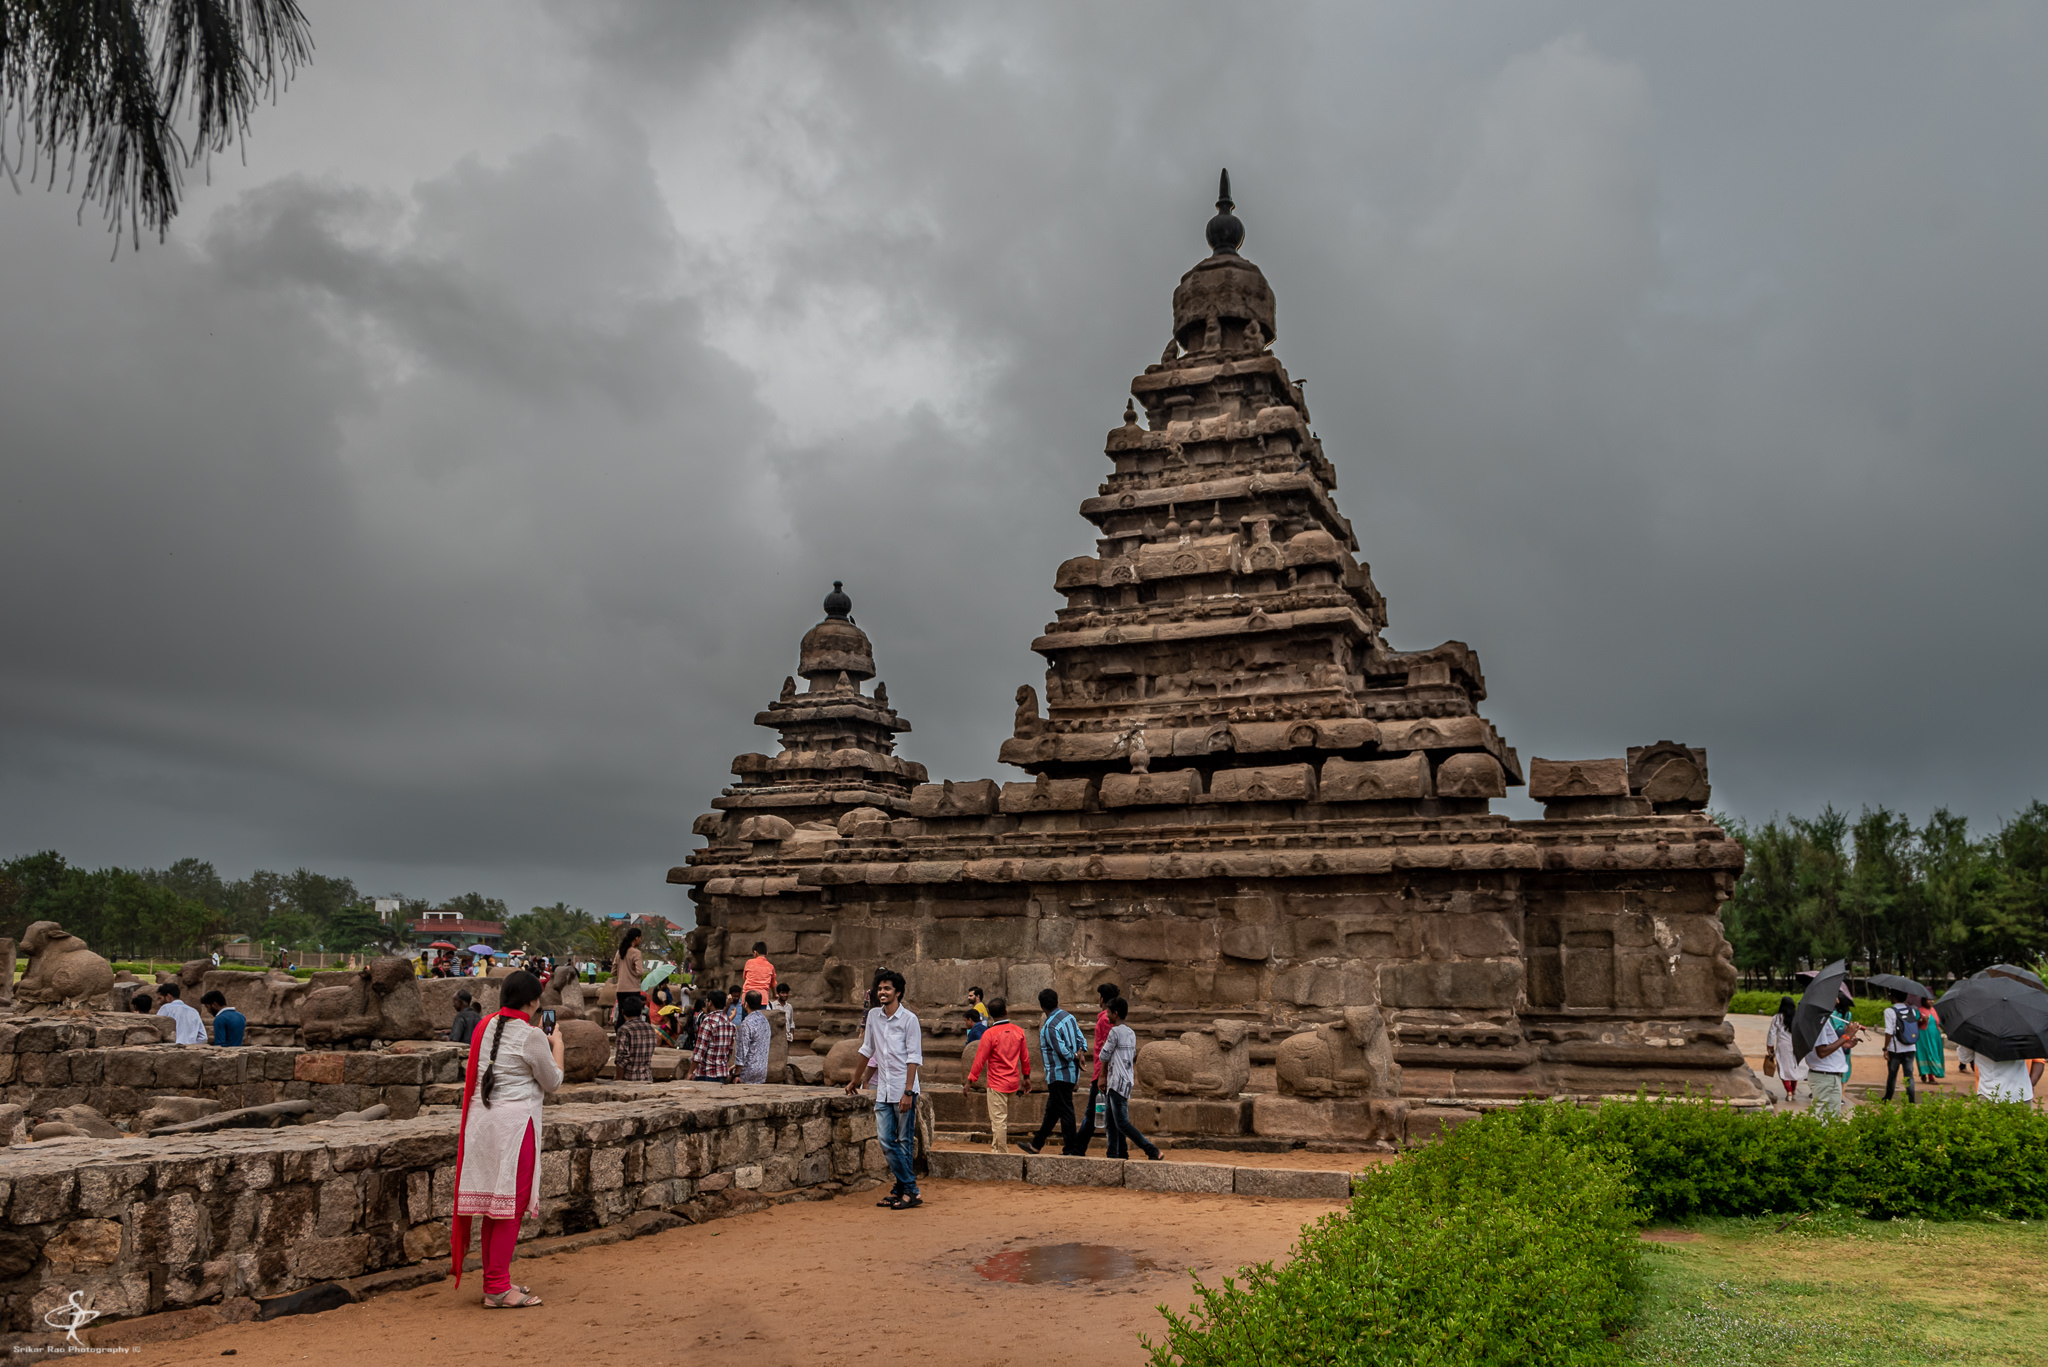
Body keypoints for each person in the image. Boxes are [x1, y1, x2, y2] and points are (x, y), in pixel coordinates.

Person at [451, 970, 564, 1308]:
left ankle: (495, 1279)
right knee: (509, 1207)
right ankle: (497, 1287)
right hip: (514, 1127)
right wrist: (556, 1044)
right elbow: (553, 1080)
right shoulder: (531, 1036)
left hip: (482, 1123)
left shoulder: (485, 1026)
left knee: (492, 1205)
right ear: (532, 1001)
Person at [846, 968, 923, 1209]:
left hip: (903, 1088)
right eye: (880, 988)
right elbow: (867, 1050)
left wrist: (908, 1091)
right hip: (884, 1089)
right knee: (886, 1141)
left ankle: (903, 1190)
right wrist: (855, 1079)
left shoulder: (909, 1020)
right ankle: (910, 1188)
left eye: (887, 988)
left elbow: (914, 1057)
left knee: (903, 1141)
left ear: (897, 992)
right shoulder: (873, 1018)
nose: (882, 992)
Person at [1020, 988, 1088, 1156]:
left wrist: (1074, 1055)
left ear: (1042, 1006)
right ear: (1057, 1001)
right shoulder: (1069, 1017)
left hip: (1059, 1074)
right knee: (1053, 1110)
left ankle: (1072, 1149)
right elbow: (1081, 1039)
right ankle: (1036, 1145)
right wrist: (1080, 1052)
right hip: (1070, 1074)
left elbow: (1062, 1051)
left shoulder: (1049, 1026)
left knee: (1065, 1110)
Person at [964, 997, 1031, 1153]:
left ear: (991, 1015)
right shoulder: (1018, 1031)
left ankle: (1001, 1152)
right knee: (1000, 1119)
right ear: (1006, 1011)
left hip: (997, 1083)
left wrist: (970, 1081)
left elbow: (979, 1060)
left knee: (999, 1120)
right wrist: (1026, 1078)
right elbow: (1025, 1058)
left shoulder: (990, 1034)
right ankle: (996, 1148)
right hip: (1013, 1081)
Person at [1098, 997, 1161, 1160]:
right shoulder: (1131, 1033)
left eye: (1109, 1013)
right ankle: (1115, 1154)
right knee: (1111, 1122)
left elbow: (1104, 1055)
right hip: (1125, 1081)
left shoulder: (1114, 1032)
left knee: (1122, 1123)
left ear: (1116, 1014)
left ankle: (1151, 1150)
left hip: (1116, 1081)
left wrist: (1105, 1045)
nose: (1107, 1016)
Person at [1067, 982, 1120, 1156]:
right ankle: (1114, 1150)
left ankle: (1079, 1148)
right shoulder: (1108, 1018)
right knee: (1107, 1113)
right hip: (1104, 1071)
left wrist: (1101, 1075)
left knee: (1093, 1113)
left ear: (1103, 999)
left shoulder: (1105, 1019)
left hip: (1102, 1072)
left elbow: (1107, 1048)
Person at [1802, 1009, 1861, 1119]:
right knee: (1823, 1118)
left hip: (1827, 1076)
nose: (1837, 1000)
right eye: (1836, 997)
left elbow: (1824, 1046)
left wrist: (1845, 1043)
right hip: (1825, 1077)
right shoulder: (1819, 1020)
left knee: (1831, 1117)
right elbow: (1822, 1051)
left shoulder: (1821, 1018)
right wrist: (1846, 1036)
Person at [1761, 996, 1807, 1101]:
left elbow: (1772, 1033)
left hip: (1783, 1046)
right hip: (1796, 1045)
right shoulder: (1798, 1017)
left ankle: (1789, 1092)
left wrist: (1770, 1046)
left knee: (1784, 1069)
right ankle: (1794, 1090)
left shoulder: (1777, 1017)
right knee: (1794, 1068)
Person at [1881, 990, 1919, 1103]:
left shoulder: (1889, 1011)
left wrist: (1885, 1048)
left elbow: (1889, 1031)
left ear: (1894, 997)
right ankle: (1911, 1101)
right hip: (1910, 1047)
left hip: (1895, 1049)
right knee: (1909, 1075)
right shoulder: (1912, 1010)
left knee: (1892, 1075)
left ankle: (1887, 1098)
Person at [689, 989, 736, 1081]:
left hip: (706, 1072)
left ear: (710, 1003)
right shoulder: (730, 1023)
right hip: (722, 1072)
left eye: (706, 1001)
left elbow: (700, 1050)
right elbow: (729, 1051)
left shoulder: (708, 1021)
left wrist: (690, 1071)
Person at [613, 993, 660, 1083]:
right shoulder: (650, 1028)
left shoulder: (624, 1029)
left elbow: (622, 1059)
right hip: (647, 1078)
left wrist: (618, 1081)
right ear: (641, 1012)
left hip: (629, 1080)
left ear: (623, 1012)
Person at [734, 990, 773, 1083]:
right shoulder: (765, 1021)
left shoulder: (746, 1024)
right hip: (762, 1070)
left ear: (746, 1004)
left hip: (747, 1072)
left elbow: (742, 1052)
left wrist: (737, 1073)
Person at [1975, 1048, 2040, 1104]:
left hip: (1987, 1092)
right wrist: (2029, 1086)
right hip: (2021, 1094)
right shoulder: (2026, 1035)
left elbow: (1966, 1058)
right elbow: (2039, 1062)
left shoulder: (1980, 1035)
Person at [613, 926, 646, 1026]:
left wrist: (623, 972)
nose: (640, 940)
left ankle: (620, 1035)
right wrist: (632, 973)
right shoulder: (636, 953)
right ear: (636, 938)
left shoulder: (619, 952)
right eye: (640, 938)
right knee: (634, 1016)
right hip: (633, 989)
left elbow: (613, 971)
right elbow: (640, 972)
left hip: (621, 989)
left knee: (622, 1014)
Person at [1914, 997, 1946, 1084]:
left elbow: (1939, 1023)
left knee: (1935, 1054)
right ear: (1923, 1001)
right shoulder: (1919, 1010)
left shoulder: (1935, 1010)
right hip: (1923, 1036)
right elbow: (1914, 1023)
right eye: (1929, 999)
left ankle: (1926, 1072)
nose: (1931, 1001)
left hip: (1935, 1036)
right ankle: (1930, 1077)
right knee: (1928, 1054)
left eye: (1932, 999)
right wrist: (1921, 1020)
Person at [742, 941, 777, 1007]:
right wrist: (775, 995)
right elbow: (773, 984)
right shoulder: (770, 966)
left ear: (755, 952)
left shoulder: (749, 962)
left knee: (746, 1017)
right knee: (760, 1017)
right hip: (762, 1000)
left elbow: (745, 977)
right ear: (766, 953)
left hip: (747, 998)